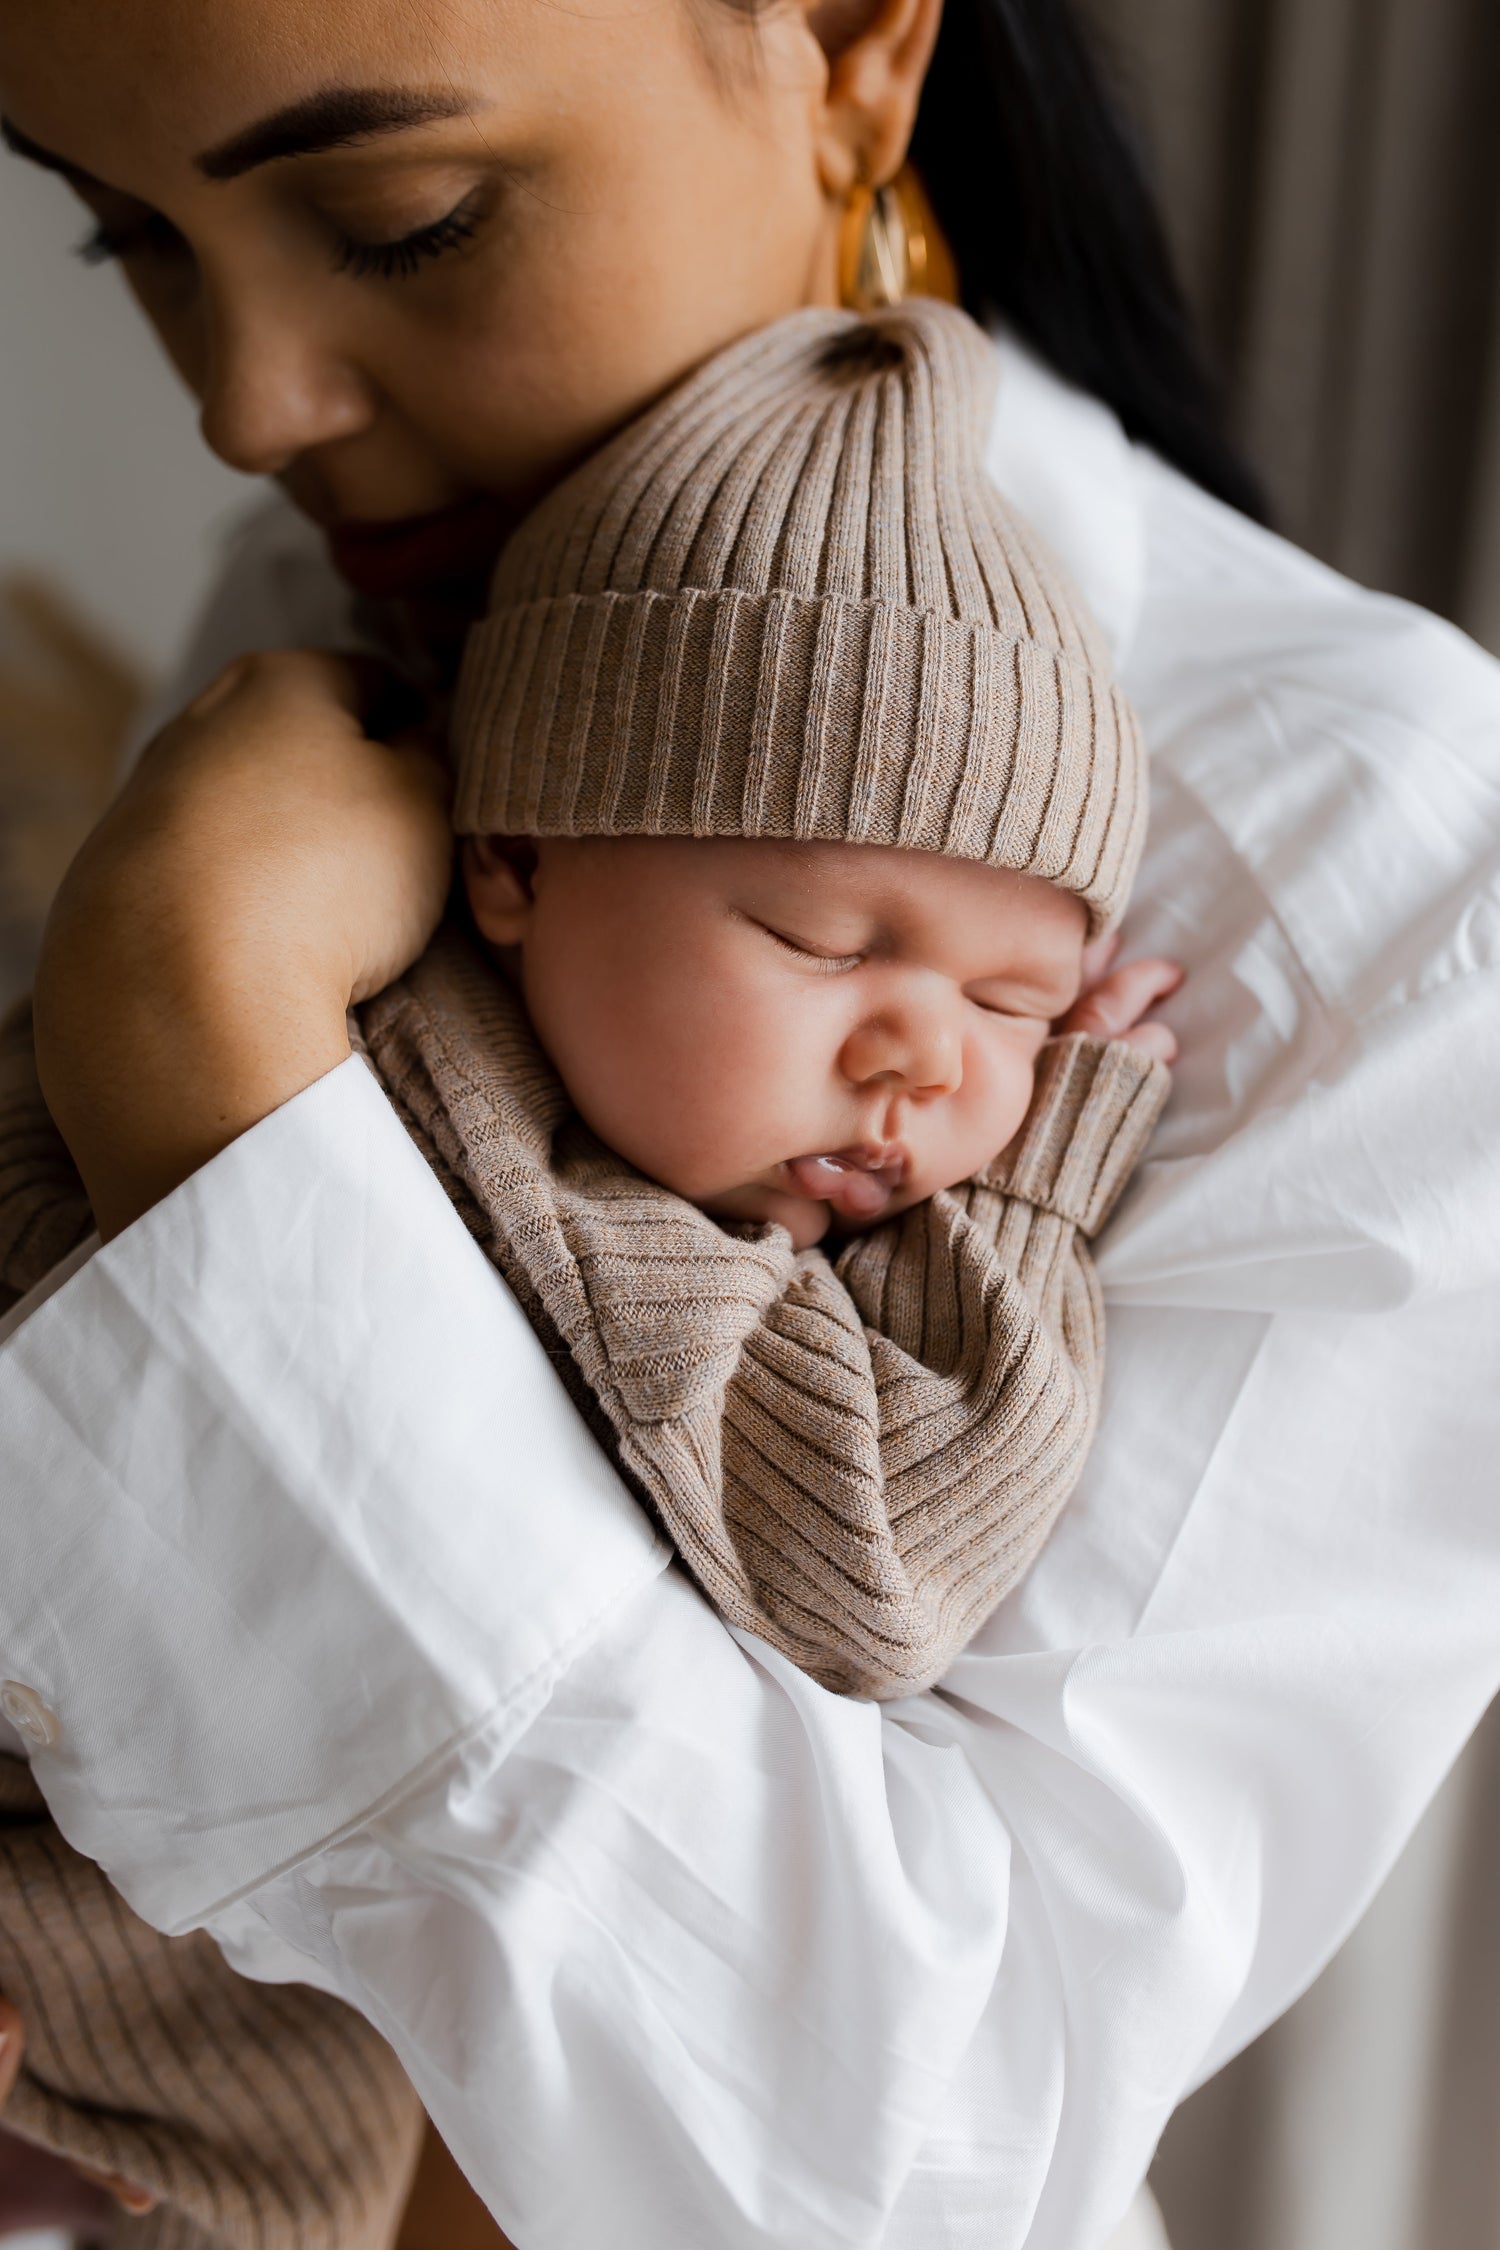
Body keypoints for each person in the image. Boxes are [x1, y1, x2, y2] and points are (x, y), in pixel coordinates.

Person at [0, 0, 1497, 2246]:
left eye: (404, 219)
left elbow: (893, 2158)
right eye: (139, 245)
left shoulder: (1388, 874)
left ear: (847, 48)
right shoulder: (393, 594)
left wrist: (201, 1052)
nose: (249, 410)